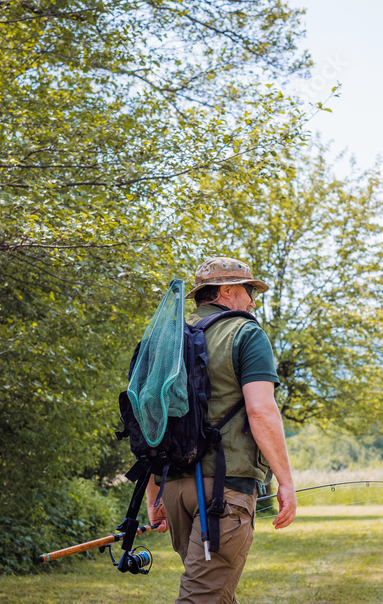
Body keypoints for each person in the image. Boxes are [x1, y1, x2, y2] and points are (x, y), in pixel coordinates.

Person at [146, 256, 296, 604]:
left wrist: (155, 494)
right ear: (226, 290)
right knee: (203, 596)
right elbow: (261, 410)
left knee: (216, 590)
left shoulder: (168, 338)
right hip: (223, 494)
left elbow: (151, 418)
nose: (252, 301)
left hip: (175, 488)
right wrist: (285, 481)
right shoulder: (246, 332)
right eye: (248, 291)